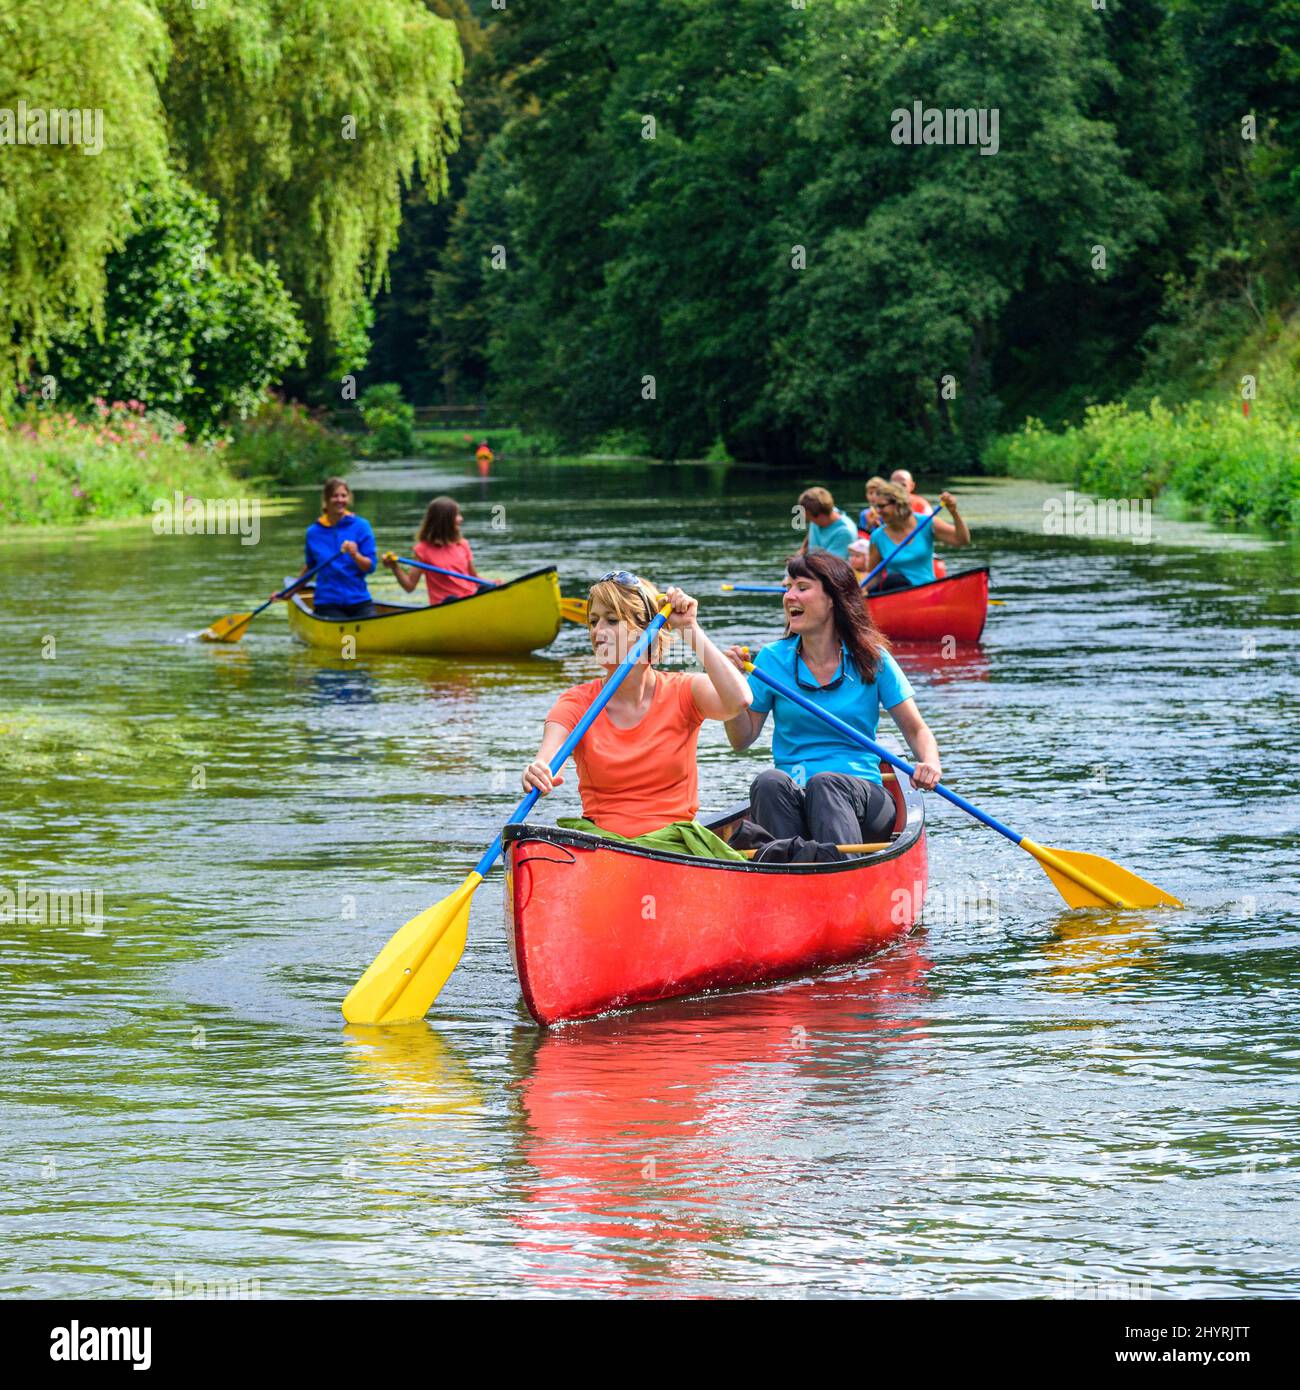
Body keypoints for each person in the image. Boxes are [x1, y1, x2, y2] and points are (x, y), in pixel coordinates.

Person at [723, 550, 942, 848]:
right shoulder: (773, 660)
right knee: (768, 782)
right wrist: (729, 685)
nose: (789, 596)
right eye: (787, 587)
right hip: (794, 800)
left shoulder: (872, 658)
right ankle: (790, 871)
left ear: (833, 599)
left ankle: (840, 872)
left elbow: (916, 729)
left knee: (825, 783)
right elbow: (741, 739)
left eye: (801, 587)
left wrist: (930, 763)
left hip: (864, 800)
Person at [521, 574, 751, 846]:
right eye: (593, 622)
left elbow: (739, 700)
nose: (597, 631)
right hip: (605, 847)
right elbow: (547, 759)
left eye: (612, 620)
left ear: (646, 631)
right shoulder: (575, 702)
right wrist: (537, 772)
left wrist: (690, 628)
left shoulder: (685, 690)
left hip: (674, 846)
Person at [290, 478, 378, 620]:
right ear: (326, 499)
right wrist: (288, 593)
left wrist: (356, 555)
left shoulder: (362, 526)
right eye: (335, 496)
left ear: (348, 498)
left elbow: (370, 567)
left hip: (359, 600)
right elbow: (311, 568)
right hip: (328, 602)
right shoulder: (313, 532)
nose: (340, 500)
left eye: (343, 495)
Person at [864, 482, 970, 592]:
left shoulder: (927, 523)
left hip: (928, 592)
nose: (877, 511)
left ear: (898, 504)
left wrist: (954, 512)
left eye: (881, 506)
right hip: (897, 596)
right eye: (876, 506)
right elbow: (874, 575)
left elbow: (962, 540)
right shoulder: (877, 536)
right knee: (895, 580)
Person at [382, 496, 481, 604]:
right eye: (456, 515)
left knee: (485, 588)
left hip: (469, 599)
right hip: (445, 605)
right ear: (445, 520)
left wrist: (496, 585)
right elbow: (409, 586)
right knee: (451, 600)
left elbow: (475, 579)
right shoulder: (422, 549)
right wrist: (394, 567)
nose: (461, 519)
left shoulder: (462, 544)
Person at [797, 486, 858, 561]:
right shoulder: (820, 512)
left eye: (808, 517)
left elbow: (829, 566)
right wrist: (802, 549)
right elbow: (811, 533)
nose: (807, 520)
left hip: (828, 568)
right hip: (813, 561)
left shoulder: (845, 533)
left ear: (820, 516)